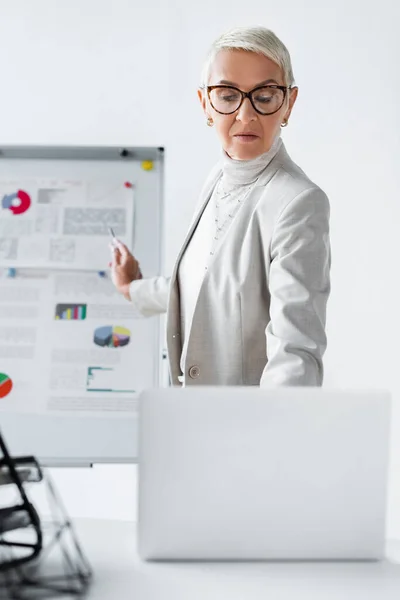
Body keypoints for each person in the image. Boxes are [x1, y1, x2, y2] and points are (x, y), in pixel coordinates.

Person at [110, 26, 331, 387]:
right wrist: (134, 289)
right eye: (228, 96)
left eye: (265, 94)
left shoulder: (298, 202)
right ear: (205, 104)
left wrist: (275, 436)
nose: (245, 115)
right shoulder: (218, 177)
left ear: (289, 103)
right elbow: (208, 284)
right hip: (190, 419)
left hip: (243, 431)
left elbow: (296, 350)